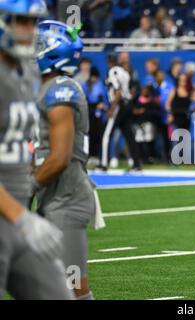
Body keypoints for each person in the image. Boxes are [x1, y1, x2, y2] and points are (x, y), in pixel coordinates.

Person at [0, 0, 73, 300]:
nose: (31, 31)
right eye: (21, 21)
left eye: (33, 22)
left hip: (18, 219)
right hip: (14, 215)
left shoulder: (28, 72)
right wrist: (20, 215)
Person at [33, 20, 103, 299]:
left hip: (67, 198)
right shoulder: (44, 88)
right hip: (53, 195)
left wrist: (25, 189)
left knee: (73, 287)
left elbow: (59, 157)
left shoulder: (61, 89)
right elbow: (39, 150)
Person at [99, 54, 142, 171]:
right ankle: (136, 164)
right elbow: (129, 90)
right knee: (129, 136)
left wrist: (112, 109)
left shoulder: (113, 72)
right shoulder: (124, 72)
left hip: (119, 105)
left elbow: (117, 92)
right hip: (127, 105)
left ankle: (103, 163)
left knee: (107, 134)